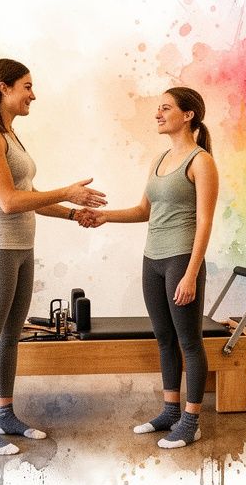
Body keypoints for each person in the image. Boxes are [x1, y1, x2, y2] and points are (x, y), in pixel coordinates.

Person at [0, 58, 107, 455]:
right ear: (3, 88)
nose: (33, 94)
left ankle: (5, 414)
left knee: (11, 336)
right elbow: (8, 202)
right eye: (27, 86)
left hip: (22, 248)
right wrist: (66, 193)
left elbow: (28, 194)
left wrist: (73, 212)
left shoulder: (10, 134)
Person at [77, 87, 219, 449]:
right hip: (152, 259)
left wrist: (190, 272)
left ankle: (190, 421)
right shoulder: (160, 159)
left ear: (187, 115)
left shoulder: (201, 161)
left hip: (180, 259)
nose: (158, 114)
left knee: (189, 341)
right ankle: (170, 411)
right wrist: (103, 217)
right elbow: (145, 211)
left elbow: (204, 222)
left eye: (166, 108)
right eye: (158, 108)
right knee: (164, 339)